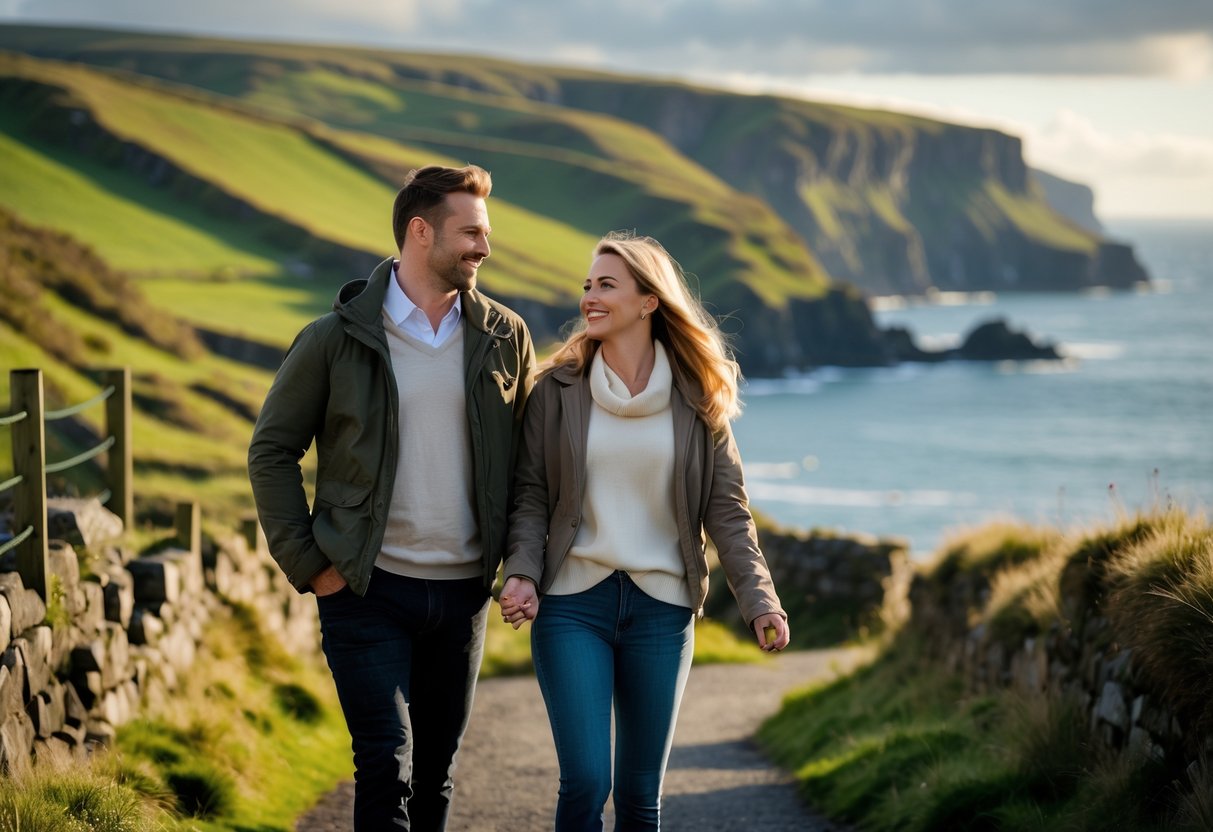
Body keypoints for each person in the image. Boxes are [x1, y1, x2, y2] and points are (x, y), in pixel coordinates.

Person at [247, 164, 536, 831]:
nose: (483, 248)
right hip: (363, 588)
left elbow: (529, 473)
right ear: (419, 231)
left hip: (463, 594)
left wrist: (518, 564)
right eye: (470, 233)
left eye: (485, 234)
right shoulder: (333, 338)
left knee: (436, 770)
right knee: (386, 762)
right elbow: (271, 450)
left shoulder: (504, 337)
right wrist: (310, 564)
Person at [499, 230, 789, 831]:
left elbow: (728, 511)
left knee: (639, 797)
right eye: (587, 286)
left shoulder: (699, 398)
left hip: (663, 610)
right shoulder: (556, 389)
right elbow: (528, 495)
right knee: (585, 781)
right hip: (572, 604)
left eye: (606, 285)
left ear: (649, 300)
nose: (589, 298)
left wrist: (760, 600)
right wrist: (523, 573)